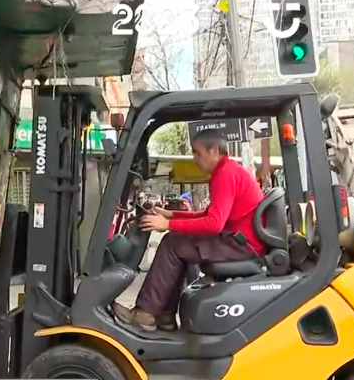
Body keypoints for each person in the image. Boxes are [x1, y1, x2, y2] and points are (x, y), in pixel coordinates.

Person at [113, 129, 266, 332]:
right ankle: (165, 315)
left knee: (172, 243)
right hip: (239, 240)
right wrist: (172, 216)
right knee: (178, 242)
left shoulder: (225, 174)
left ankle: (145, 312)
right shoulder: (228, 170)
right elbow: (209, 214)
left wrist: (167, 225)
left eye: (197, 152)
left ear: (213, 150)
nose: (195, 158)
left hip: (242, 245)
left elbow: (214, 223)